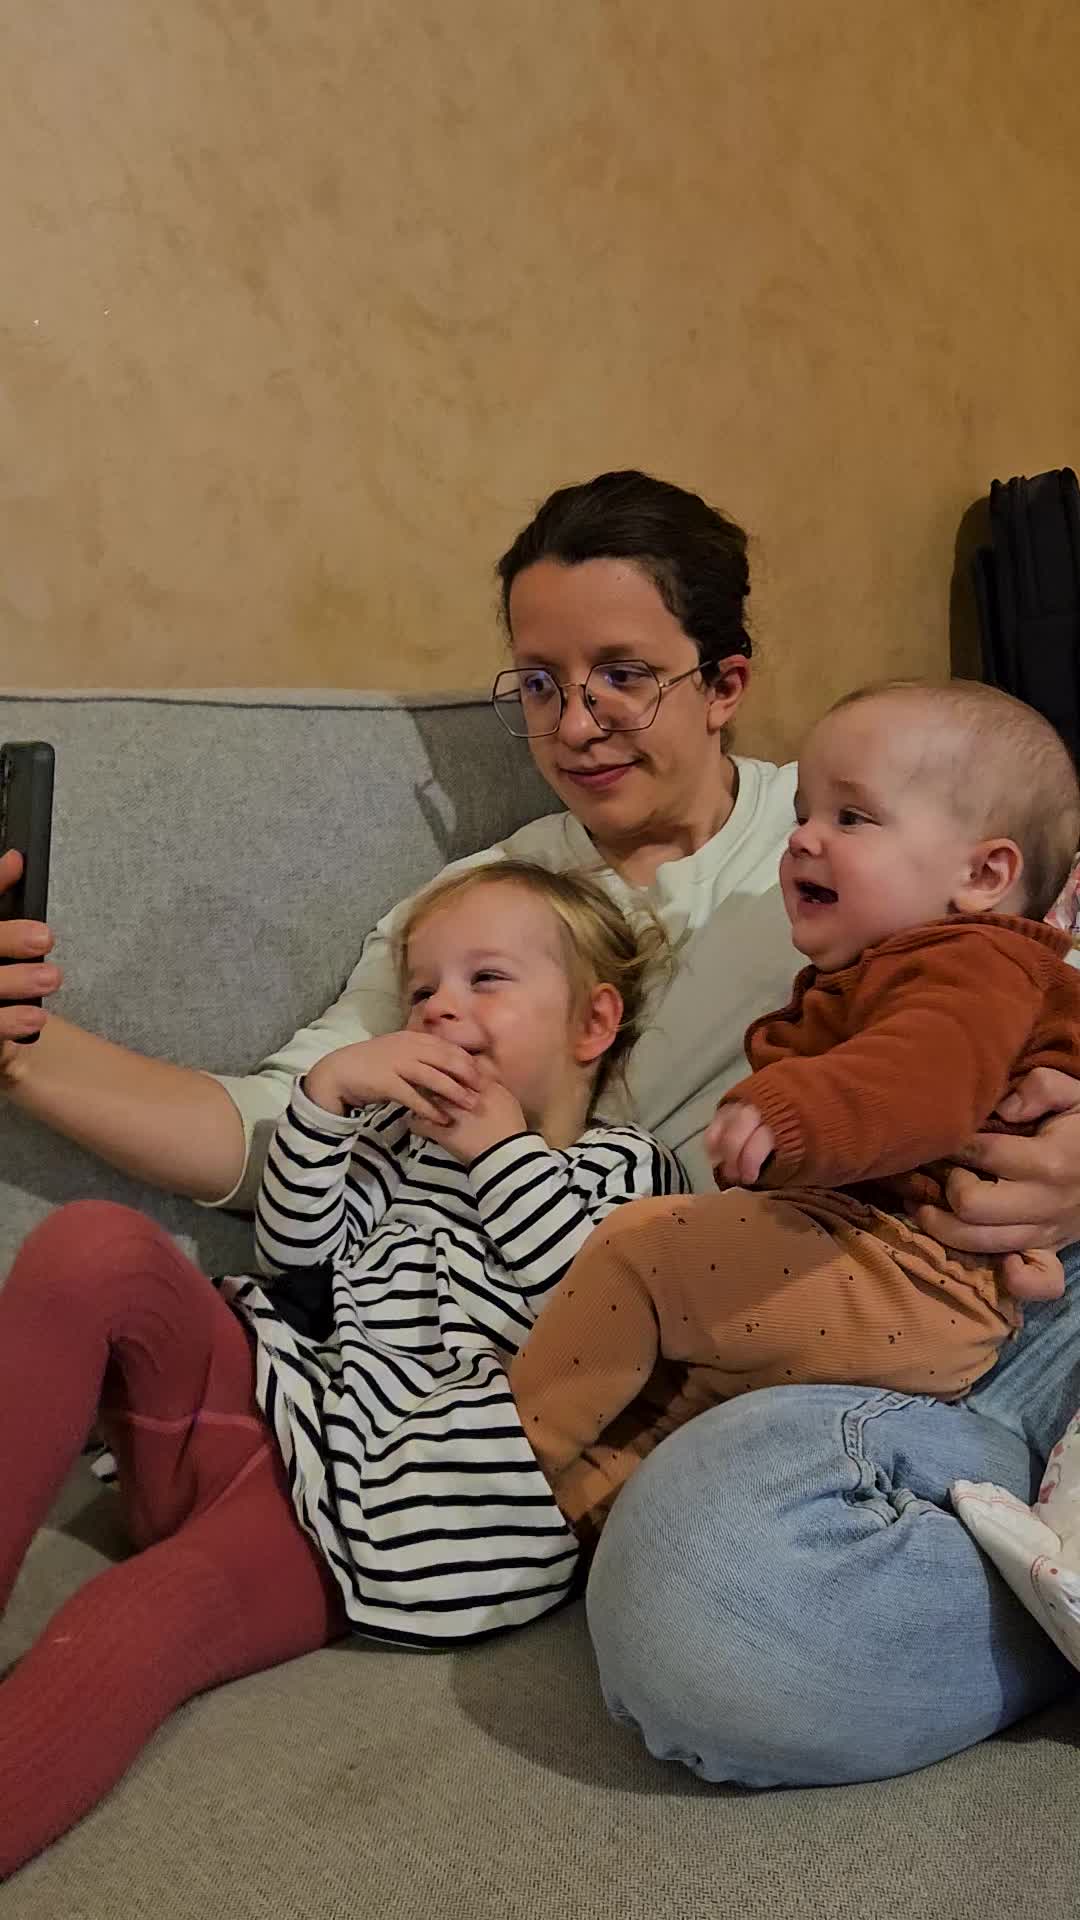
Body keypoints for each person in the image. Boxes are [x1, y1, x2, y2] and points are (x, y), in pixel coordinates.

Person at [3, 469, 1080, 1786]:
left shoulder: (853, 834)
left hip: (969, 1271)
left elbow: (1026, 964)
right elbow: (266, 1132)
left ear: (725, 684)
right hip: (723, 1334)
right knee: (700, 1604)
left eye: (625, 676)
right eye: (537, 682)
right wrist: (22, 1050)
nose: (576, 723)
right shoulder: (482, 899)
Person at [0, 861, 684, 1875]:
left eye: (486, 980)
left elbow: (594, 1311)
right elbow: (298, 1259)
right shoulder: (392, 1145)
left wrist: (500, 1152)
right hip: (266, 1405)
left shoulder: (626, 1170)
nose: (439, 1007)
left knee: (130, 1622)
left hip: (370, 1511)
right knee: (93, 1246)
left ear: (591, 1026)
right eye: (421, 990)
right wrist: (324, 1101)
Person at [509, 681, 1080, 1541]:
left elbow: (921, 1078)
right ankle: (553, 1529)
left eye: (852, 818)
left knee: (640, 1251)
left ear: (983, 875)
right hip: (891, 1275)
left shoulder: (972, 964)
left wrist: (791, 1113)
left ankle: (492, 1461)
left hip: (911, 1274)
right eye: (804, 813)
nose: (804, 837)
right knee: (673, 1403)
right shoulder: (902, 964)